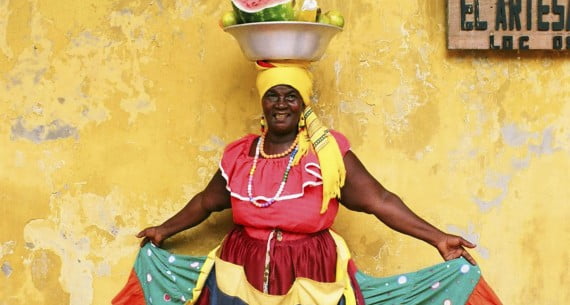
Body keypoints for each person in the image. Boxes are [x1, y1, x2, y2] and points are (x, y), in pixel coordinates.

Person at [112, 61, 501, 305]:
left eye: (291, 97)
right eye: (273, 96)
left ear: (303, 105)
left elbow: (379, 200)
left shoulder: (326, 155)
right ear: (263, 104)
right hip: (239, 267)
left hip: (309, 269)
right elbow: (206, 202)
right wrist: (164, 229)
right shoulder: (241, 155)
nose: (281, 103)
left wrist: (437, 238)